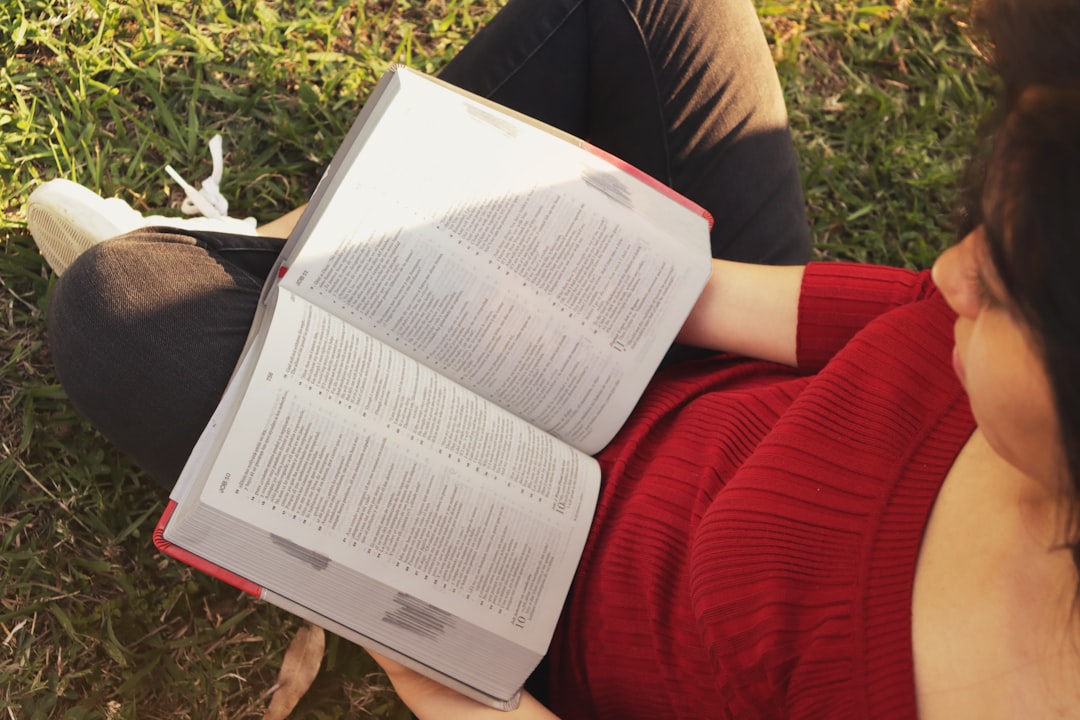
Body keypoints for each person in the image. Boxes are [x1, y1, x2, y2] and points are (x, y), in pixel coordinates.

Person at [27, 0, 1080, 717]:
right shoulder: (978, 307)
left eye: (1003, 291)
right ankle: (281, 255)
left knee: (122, 312)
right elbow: (807, 307)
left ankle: (246, 283)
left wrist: (460, 698)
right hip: (700, 373)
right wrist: (564, 280)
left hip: (539, 584)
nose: (949, 272)